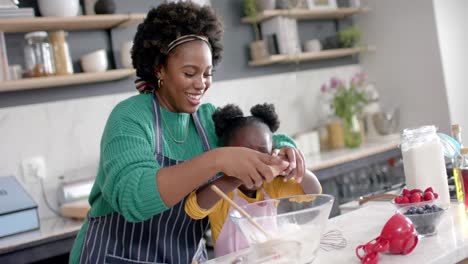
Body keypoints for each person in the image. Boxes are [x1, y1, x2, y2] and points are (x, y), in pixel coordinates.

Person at [69, 2, 307, 264]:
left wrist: (285, 147)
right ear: (160, 69)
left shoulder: (207, 120)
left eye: (207, 73)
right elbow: (134, 199)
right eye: (189, 73)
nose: (201, 83)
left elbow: (253, 132)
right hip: (114, 257)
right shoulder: (129, 118)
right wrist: (217, 160)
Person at [184, 103, 322, 258]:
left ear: (271, 152)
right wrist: (237, 176)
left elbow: (313, 191)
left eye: (262, 153)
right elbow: (193, 209)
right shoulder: (223, 193)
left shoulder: (272, 186)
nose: (255, 162)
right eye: (245, 154)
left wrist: (292, 168)